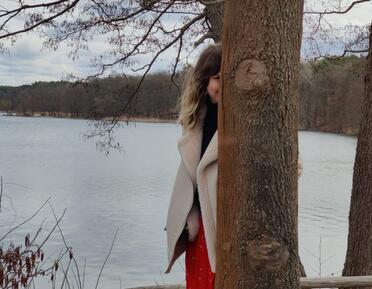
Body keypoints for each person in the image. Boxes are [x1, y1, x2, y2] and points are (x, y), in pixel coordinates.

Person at [164, 43, 221, 289]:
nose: (224, 85)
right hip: (203, 234)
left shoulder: (251, 119)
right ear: (205, 81)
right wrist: (191, 215)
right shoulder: (197, 121)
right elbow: (193, 178)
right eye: (218, 78)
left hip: (232, 231)